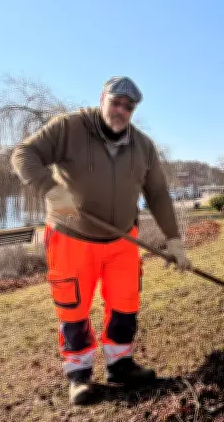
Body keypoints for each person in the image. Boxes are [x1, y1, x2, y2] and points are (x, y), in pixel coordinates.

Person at [10, 76, 192, 405]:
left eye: (128, 106)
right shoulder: (69, 127)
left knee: (125, 304)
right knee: (74, 307)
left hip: (122, 239)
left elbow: (158, 195)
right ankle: (79, 375)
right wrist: (50, 190)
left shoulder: (143, 146)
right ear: (102, 98)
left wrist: (174, 241)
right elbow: (24, 155)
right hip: (71, 236)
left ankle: (120, 364)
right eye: (115, 101)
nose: (120, 110)